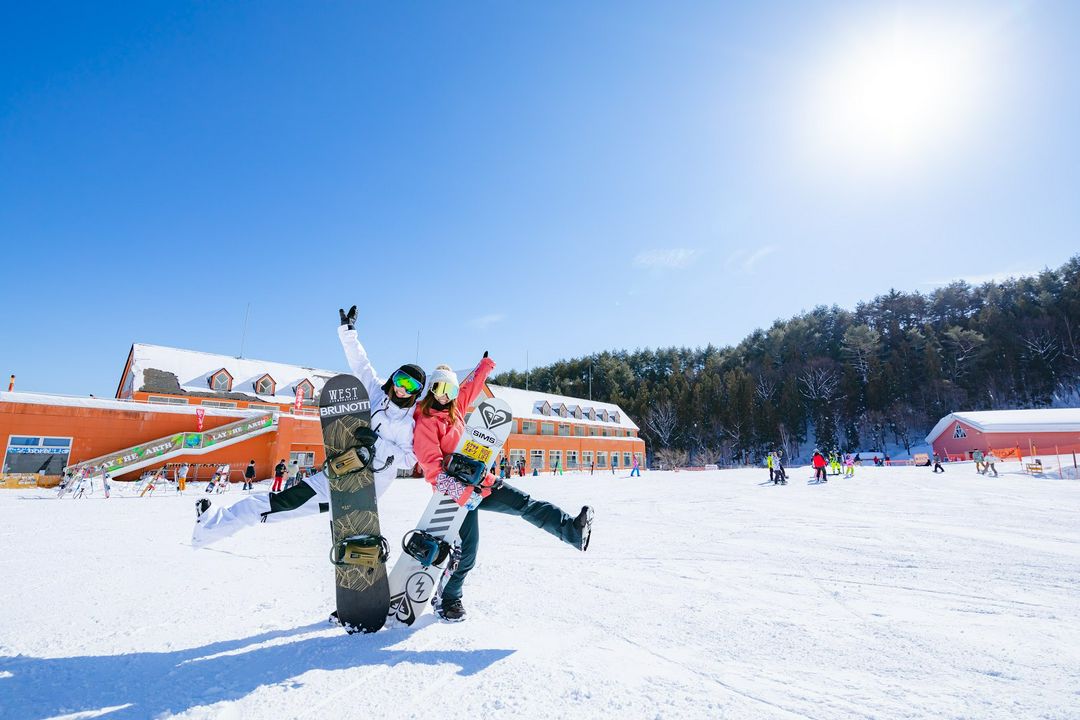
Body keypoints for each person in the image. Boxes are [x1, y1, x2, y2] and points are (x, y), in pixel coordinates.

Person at [193, 305, 424, 548]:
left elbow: (409, 460)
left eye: (410, 387)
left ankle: (211, 527)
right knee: (280, 501)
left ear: (416, 393)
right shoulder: (377, 393)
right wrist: (348, 331)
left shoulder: (407, 423)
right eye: (400, 380)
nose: (401, 388)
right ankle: (211, 525)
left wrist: (378, 444)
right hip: (340, 470)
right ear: (393, 377)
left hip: (363, 488)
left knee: (280, 503)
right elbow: (361, 364)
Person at [411, 355, 593, 623]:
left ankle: (572, 532)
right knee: (468, 553)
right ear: (431, 390)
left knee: (525, 504)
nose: (444, 396)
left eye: (449, 390)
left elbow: (469, 388)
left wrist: (484, 366)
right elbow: (432, 471)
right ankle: (447, 599)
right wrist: (464, 495)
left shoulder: (456, 409)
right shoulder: (426, 422)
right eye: (439, 389)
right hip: (453, 497)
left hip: (482, 483)